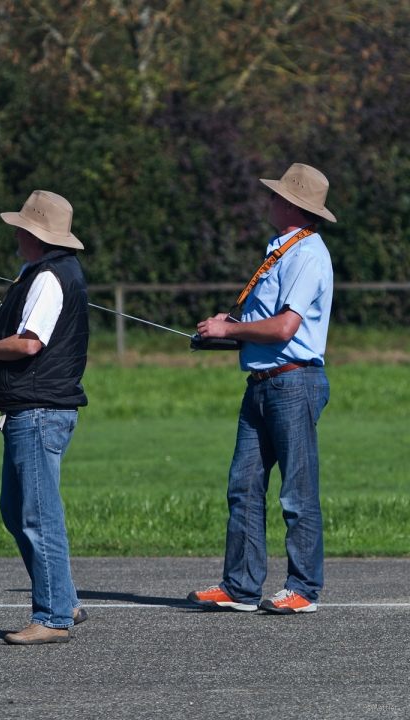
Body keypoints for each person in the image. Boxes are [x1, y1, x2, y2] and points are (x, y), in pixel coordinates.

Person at [188, 163, 335, 614]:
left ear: (292, 204)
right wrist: (225, 331)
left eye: (275, 195)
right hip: (263, 382)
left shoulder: (308, 254)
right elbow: (263, 325)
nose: (268, 200)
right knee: (244, 486)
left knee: (296, 489)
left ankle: (304, 589)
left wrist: (231, 329)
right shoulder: (280, 250)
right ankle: (240, 587)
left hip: (293, 380)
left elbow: (286, 327)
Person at [0, 190, 89, 643]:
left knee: (37, 514)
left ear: (36, 233)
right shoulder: (44, 272)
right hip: (30, 408)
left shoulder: (49, 276)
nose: (15, 232)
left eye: (21, 226)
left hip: (39, 411)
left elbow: (30, 344)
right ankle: (62, 600)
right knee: (17, 510)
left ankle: (52, 618)